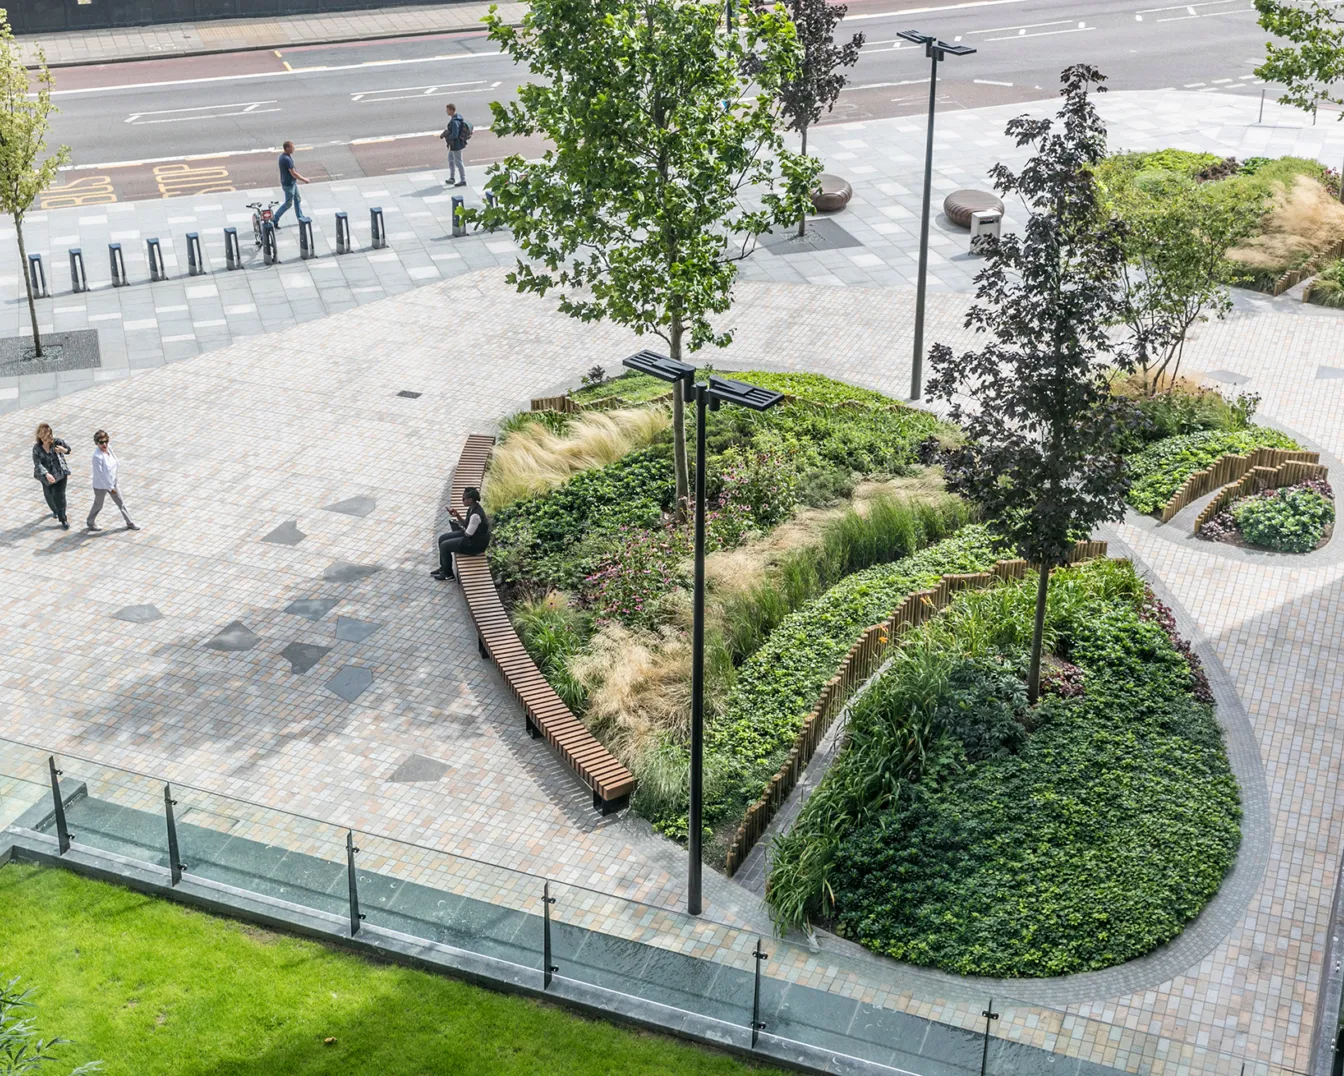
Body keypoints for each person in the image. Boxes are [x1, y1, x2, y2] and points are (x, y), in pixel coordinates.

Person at [432, 487, 489, 581]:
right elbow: (466, 525)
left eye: (463, 498)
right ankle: (443, 568)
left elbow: (468, 533)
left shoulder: (476, 515)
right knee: (442, 538)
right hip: (471, 536)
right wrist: (457, 515)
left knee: (445, 546)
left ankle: (448, 575)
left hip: (475, 544)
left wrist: (458, 530)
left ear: (470, 500)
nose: (462, 500)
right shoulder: (471, 508)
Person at [86, 429, 139, 532]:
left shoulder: (109, 449)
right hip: (101, 486)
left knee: (121, 503)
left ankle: (130, 522)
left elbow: (114, 463)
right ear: (97, 443)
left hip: (113, 482)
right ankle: (90, 521)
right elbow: (101, 475)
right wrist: (110, 488)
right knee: (98, 504)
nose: (104, 444)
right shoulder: (97, 457)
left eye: (106, 441)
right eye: (101, 442)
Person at [32, 423, 71, 530]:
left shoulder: (57, 442)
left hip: (60, 473)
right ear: (40, 437)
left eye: (49, 436)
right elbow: (37, 463)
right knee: (49, 494)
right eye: (45, 438)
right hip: (46, 477)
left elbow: (68, 450)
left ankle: (63, 518)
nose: (48, 440)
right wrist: (46, 474)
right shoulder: (37, 448)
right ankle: (55, 510)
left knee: (60, 495)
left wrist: (63, 450)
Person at [272, 140, 309, 230]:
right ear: (287, 148)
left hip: (291, 183)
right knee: (288, 203)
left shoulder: (283, 157)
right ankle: (275, 219)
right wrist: (304, 179)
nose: (294, 149)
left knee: (297, 199)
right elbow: (293, 173)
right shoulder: (286, 159)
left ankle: (300, 218)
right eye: (292, 147)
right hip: (289, 184)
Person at [439, 104, 468, 188]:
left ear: (452, 110)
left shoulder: (455, 121)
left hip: (456, 145)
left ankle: (463, 180)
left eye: (447, 110)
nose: (446, 111)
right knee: (450, 159)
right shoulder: (457, 117)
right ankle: (452, 177)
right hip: (454, 145)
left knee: (458, 162)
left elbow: (455, 134)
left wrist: (447, 136)